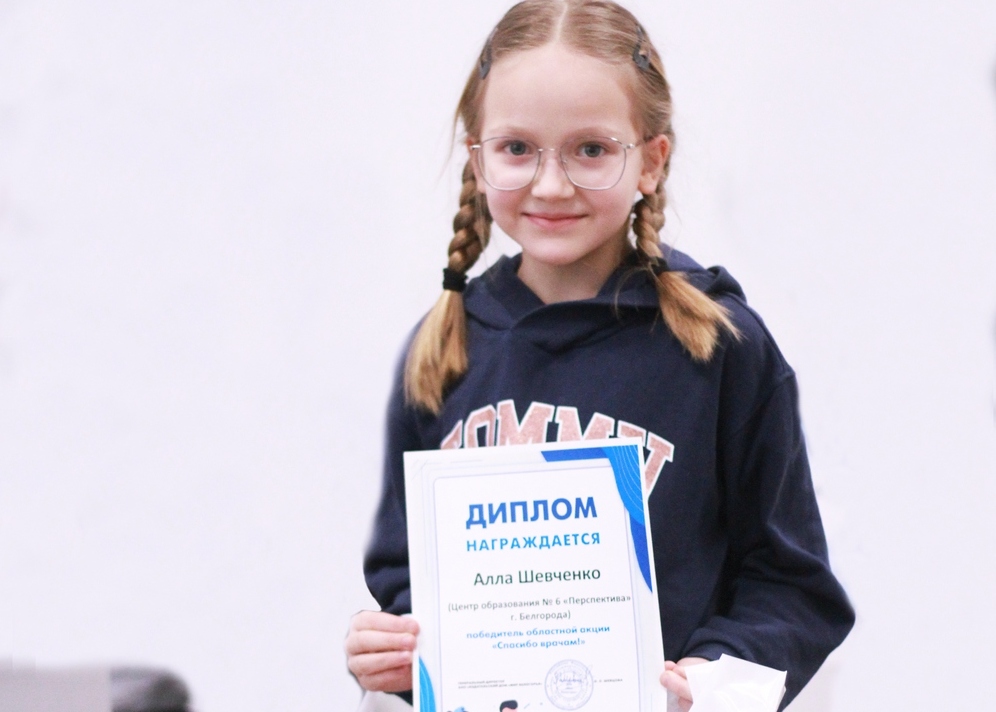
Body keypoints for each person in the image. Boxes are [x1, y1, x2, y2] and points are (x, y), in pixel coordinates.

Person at [345, 1, 854, 710]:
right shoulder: (441, 350)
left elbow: (793, 586)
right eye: (517, 148)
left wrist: (714, 680)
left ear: (651, 160)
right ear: (477, 158)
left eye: (590, 150)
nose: (552, 185)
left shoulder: (719, 347)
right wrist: (394, 648)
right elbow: (408, 582)